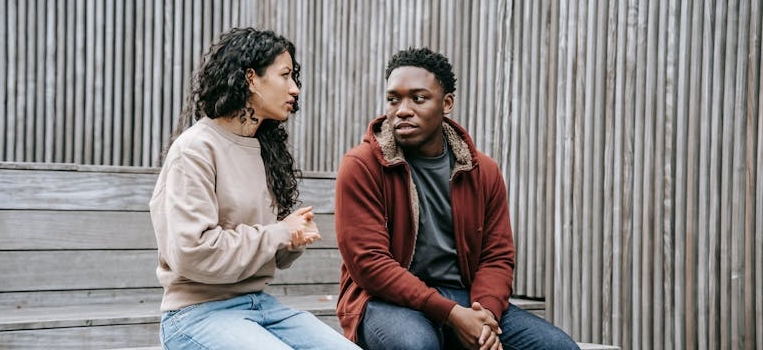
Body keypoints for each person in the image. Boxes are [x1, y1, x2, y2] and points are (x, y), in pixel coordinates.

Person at [335, 47, 579, 350]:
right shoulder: (362, 165)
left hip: (464, 297)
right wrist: (451, 315)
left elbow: (496, 256)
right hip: (385, 300)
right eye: (393, 99)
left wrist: (485, 315)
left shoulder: (482, 171)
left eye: (418, 98)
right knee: (416, 346)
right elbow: (370, 264)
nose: (402, 110)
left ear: (447, 103)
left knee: (558, 347)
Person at [150, 27, 360, 350]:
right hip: (195, 313)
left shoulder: (264, 150)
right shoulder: (194, 150)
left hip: (258, 304)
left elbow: (265, 250)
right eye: (285, 75)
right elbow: (193, 253)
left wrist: (292, 239)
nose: (295, 89)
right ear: (251, 78)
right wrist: (278, 233)